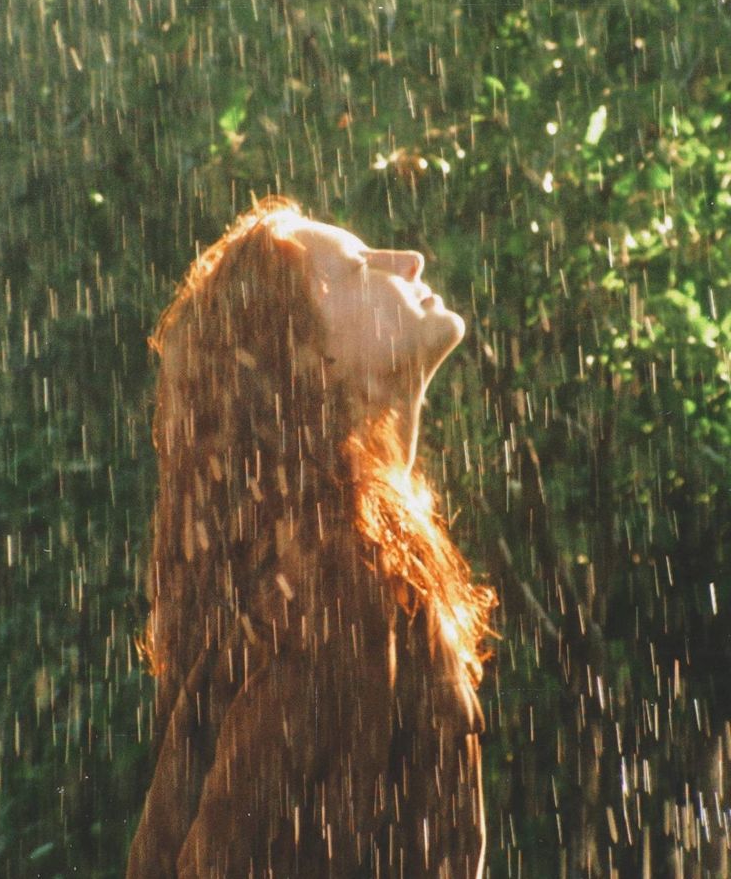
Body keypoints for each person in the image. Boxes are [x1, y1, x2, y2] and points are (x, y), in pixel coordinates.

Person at [126, 196, 496, 878]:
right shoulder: (339, 584)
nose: (408, 260)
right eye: (358, 268)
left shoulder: (339, 561)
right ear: (309, 357)